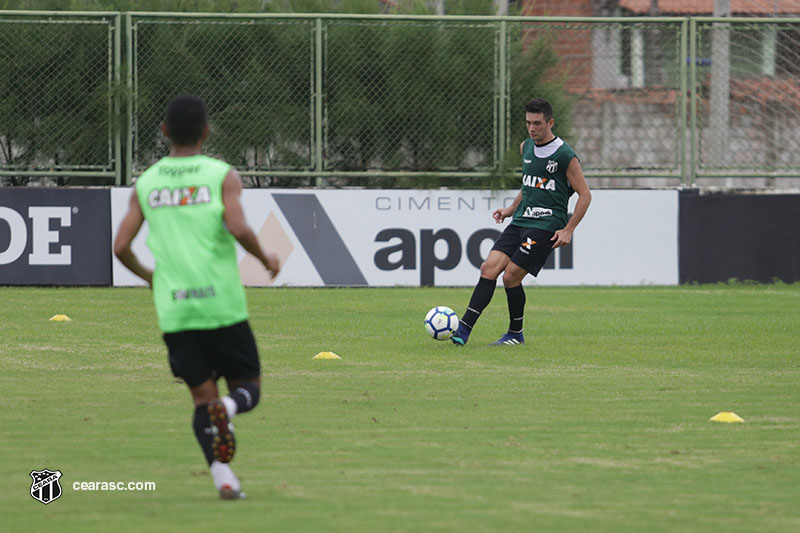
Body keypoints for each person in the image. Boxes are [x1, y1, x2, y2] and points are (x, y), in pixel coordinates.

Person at [114, 94, 280, 499]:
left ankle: (224, 479)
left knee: (202, 403)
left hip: (177, 311)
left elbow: (120, 246)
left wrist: (150, 277)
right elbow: (238, 228)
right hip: (221, 304)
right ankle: (232, 408)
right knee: (249, 388)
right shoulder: (221, 175)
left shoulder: (148, 182)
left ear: (164, 131)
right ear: (207, 131)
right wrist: (266, 257)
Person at [452, 98, 591, 346]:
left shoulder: (565, 156)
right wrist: (510, 209)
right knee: (488, 269)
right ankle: (463, 330)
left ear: (550, 122)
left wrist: (569, 229)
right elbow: (529, 184)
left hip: (547, 224)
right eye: (528, 122)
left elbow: (585, 195)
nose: (532, 128)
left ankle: (515, 334)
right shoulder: (525, 147)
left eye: (537, 123)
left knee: (511, 276)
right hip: (520, 220)